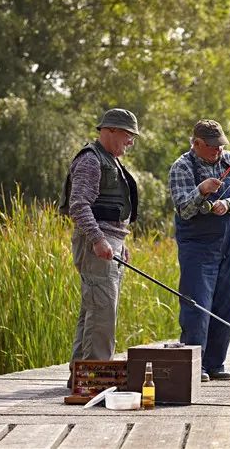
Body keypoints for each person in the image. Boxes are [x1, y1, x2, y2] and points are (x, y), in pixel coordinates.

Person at [169, 120, 230, 382]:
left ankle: (216, 364)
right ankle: (196, 366)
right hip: (197, 245)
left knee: (226, 301)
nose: (218, 151)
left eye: (220, 145)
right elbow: (184, 208)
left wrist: (227, 204)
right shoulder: (182, 166)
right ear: (196, 144)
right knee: (198, 304)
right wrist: (201, 190)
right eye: (212, 146)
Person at [60, 108, 139, 387]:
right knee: (102, 312)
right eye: (128, 135)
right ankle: (95, 380)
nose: (131, 141)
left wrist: (121, 242)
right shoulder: (91, 161)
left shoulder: (111, 161)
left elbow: (113, 211)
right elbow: (78, 205)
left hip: (110, 242)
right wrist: (98, 239)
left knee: (94, 309)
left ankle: (79, 377)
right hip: (97, 244)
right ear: (110, 131)